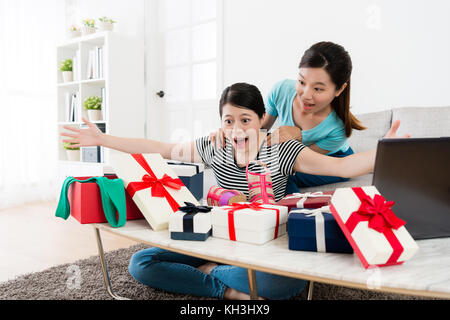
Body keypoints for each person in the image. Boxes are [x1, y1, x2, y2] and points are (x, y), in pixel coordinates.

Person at [61, 82, 405, 300]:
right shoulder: (214, 148)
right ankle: (223, 285)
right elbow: (160, 148)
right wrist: (103, 139)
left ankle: (212, 272)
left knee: (285, 285)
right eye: (228, 120)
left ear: (260, 120)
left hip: (267, 246)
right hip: (217, 238)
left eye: (245, 119)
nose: (237, 129)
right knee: (142, 263)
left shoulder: (282, 150)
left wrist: (385, 150)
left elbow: (341, 168)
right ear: (220, 123)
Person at [211, 41, 365, 195]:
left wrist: (298, 135)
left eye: (318, 88)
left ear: (339, 89)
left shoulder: (337, 129)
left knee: (282, 174)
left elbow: (297, 161)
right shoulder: (281, 90)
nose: (305, 95)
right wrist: (230, 132)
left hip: (332, 158)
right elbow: (258, 129)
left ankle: (290, 215)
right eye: (301, 81)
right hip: (291, 153)